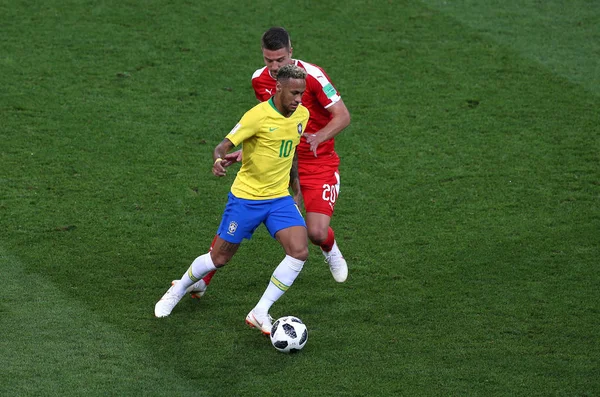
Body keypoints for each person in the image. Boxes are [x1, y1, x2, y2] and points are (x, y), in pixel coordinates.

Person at [183, 27, 350, 299]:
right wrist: (246, 151)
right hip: (282, 162)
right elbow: (266, 123)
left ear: (291, 53)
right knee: (240, 212)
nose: (274, 67)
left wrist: (318, 137)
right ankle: (202, 279)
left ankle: (329, 248)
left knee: (316, 233)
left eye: (280, 60)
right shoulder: (259, 80)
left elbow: (342, 116)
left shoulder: (314, 76)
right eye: (268, 60)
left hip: (318, 162)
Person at [154, 64, 310, 335]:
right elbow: (223, 146)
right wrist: (217, 160)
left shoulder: (302, 115)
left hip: (278, 199)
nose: (298, 100)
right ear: (278, 88)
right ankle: (178, 288)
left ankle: (260, 311)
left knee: (299, 252)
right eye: (294, 93)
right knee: (219, 258)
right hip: (246, 199)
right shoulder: (257, 116)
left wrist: (295, 192)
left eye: (302, 94)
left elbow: (292, 153)